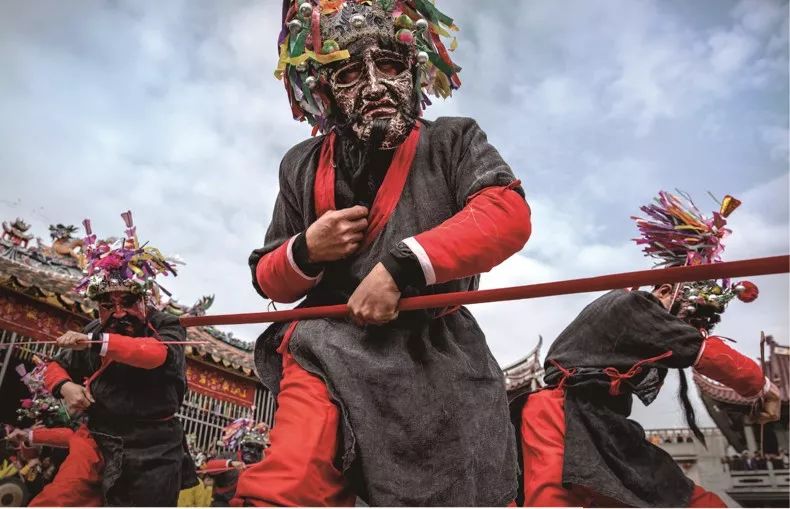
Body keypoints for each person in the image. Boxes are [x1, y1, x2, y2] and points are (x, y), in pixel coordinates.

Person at [234, 0, 531, 506]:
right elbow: (267, 278)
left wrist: (402, 266)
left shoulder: (455, 140)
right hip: (328, 347)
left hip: (440, 353)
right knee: (284, 489)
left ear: (415, 72)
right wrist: (307, 249)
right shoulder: (301, 164)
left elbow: (506, 213)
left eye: (390, 65)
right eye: (350, 73)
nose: (374, 86)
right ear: (326, 92)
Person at [512, 191, 781, 507]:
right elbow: (702, 351)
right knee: (552, 499)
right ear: (666, 290)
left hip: (603, 421)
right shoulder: (635, 305)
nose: (689, 332)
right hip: (556, 414)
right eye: (687, 322)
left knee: (693, 501)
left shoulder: (637, 318)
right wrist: (762, 388)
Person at [34, 212, 197, 506]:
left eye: (128, 302)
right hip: (97, 438)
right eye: (108, 305)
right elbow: (54, 365)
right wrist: (65, 387)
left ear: (145, 299)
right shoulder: (94, 330)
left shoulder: (166, 326)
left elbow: (155, 355)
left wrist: (98, 343)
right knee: (57, 500)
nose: (118, 313)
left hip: (154, 448)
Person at [203, 419, 268, 506]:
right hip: (222, 502)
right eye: (249, 446)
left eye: (258, 449)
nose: (252, 451)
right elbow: (209, 467)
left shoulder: (259, 466)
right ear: (242, 446)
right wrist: (230, 463)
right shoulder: (228, 456)